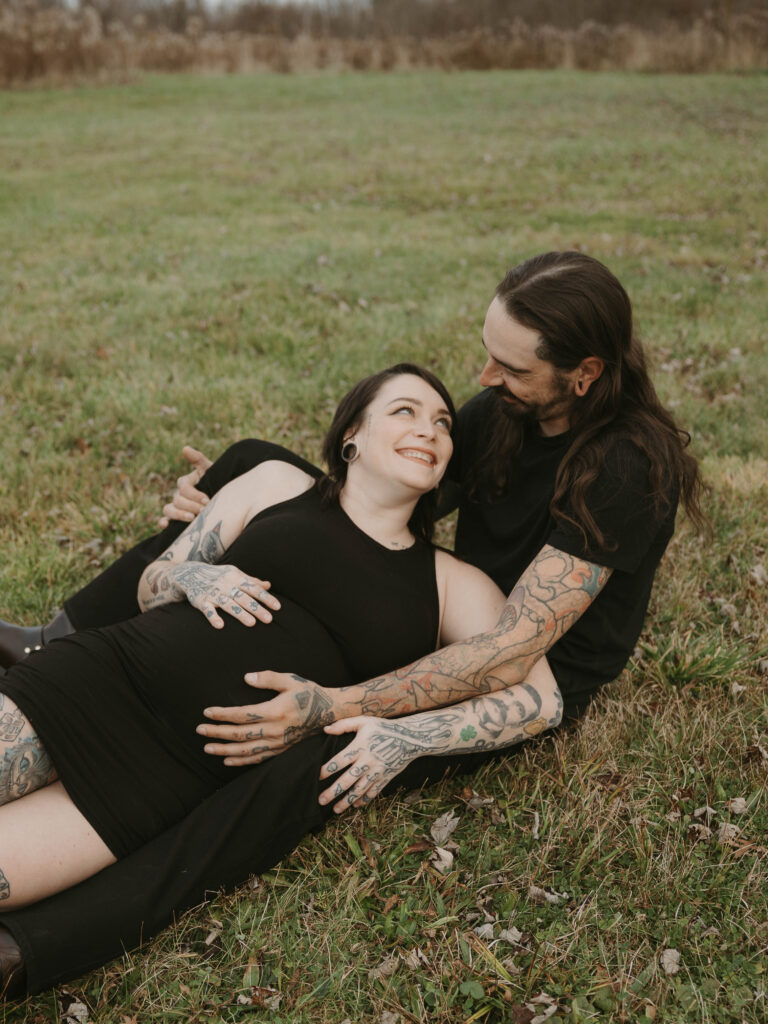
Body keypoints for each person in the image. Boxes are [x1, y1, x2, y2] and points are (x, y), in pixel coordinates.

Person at [0, 251, 703, 998]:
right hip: (390, 618)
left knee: (314, 767)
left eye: (510, 368)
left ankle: (34, 946)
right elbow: (388, 494)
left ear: (583, 374)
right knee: (254, 461)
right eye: (487, 358)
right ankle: (58, 637)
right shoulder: (501, 413)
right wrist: (223, 502)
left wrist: (344, 708)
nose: (485, 380)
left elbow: (511, 654)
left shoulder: (624, 466)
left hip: (531, 651)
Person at [0, 363, 563, 998]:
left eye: (442, 423)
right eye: (405, 411)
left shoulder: (452, 583)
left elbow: (540, 701)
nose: (429, 430)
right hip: (96, 686)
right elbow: (152, 578)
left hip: (162, 782)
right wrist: (191, 576)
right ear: (353, 433)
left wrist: (407, 738)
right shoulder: (277, 483)